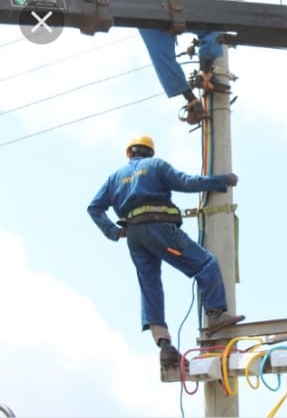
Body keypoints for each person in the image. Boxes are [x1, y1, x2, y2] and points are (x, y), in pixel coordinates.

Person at [87, 134, 244, 368]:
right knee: (205, 264)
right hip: (159, 229)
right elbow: (187, 183)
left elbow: (94, 207)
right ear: (150, 152)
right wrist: (222, 180)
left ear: (129, 153)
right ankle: (215, 315)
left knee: (150, 288)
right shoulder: (156, 165)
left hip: (134, 236)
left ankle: (164, 346)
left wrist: (113, 231)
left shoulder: (115, 177)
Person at [128, 0, 231, 125]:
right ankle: (202, 78)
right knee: (210, 24)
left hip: (162, 1)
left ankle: (201, 82)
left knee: (163, 58)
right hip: (157, 2)